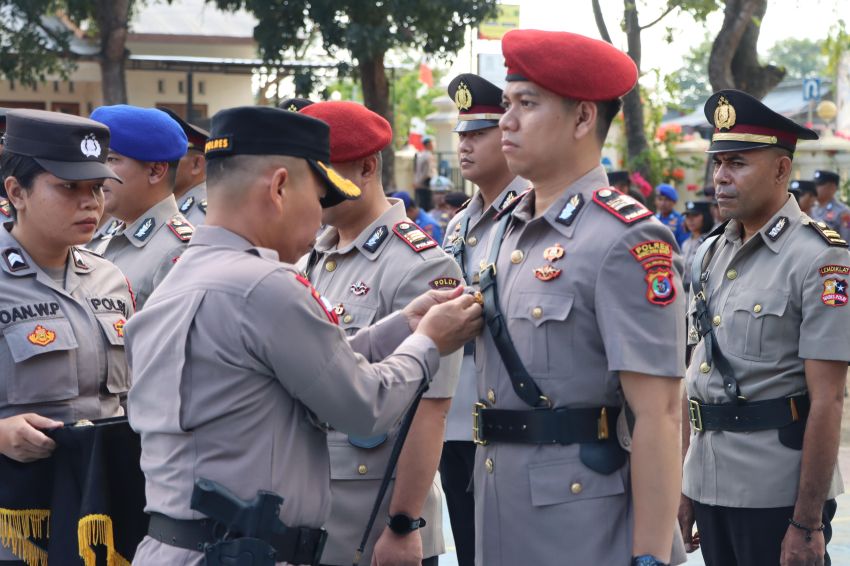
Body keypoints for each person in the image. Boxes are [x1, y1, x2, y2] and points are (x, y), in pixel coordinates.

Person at [126, 106, 483, 566]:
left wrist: (401, 327)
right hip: (240, 551)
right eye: (317, 195)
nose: (321, 213)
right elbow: (363, 406)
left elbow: (283, 378)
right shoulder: (266, 283)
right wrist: (428, 342)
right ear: (278, 188)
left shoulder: (182, 275)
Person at [474, 29, 685, 566]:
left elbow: (659, 412)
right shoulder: (505, 229)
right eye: (506, 103)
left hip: (580, 522)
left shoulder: (625, 238)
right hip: (500, 506)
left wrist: (650, 557)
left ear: (583, 118)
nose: (506, 120)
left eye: (527, 103)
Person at [679, 89, 850, 566]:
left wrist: (807, 521)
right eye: (718, 162)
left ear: (781, 169)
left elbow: (828, 399)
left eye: (737, 163)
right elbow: (697, 378)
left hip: (775, 496)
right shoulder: (709, 253)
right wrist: (686, 486)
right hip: (709, 483)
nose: (721, 177)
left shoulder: (820, 257)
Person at [296, 100, 464, 566]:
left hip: (375, 518)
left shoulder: (421, 264)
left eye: (322, 171)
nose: (310, 186)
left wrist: (404, 523)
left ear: (367, 167)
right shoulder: (310, 257)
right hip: (312, 510)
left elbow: (431, 409)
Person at [0, 108, 134, 563]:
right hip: (17, 517)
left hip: (104, 513)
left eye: (96, 188)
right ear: (16, 192)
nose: (90, 202)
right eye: (68, 187)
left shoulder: (109, 278)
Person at [441, 72, 528, 566]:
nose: (465, 146)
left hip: (508, 417)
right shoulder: (461, 221)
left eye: (479, 133)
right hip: (454, 416)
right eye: (462, 135)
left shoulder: (533, 211)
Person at [87, 105, 193, 309]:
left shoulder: (177, 250)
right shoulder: (107, 237)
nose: (98, 173)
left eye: (111, 159)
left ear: (155, 171)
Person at [161, 108, 209, 226]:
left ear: (197, 164)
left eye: (170, 157)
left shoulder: (204, 218)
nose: (157, 165)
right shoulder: (170, 206)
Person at [680, 200, 714, 293]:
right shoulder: (686, 243)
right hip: (685, 294)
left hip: (701, 294)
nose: (690, 220)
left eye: (695, 215)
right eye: (687, 216)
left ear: (705, 217)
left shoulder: (710, 241)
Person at [810, 170, 850, 241]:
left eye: (819, 184)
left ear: (832, 188)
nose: (814, 188)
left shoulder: (843, 212)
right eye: (814, 185)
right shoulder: (811, 209)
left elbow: (847, 242)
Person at [413, 136, 436, 210]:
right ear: (429, 144)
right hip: (425, 185)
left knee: (421, 206)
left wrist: (417, 182)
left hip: (420, 184)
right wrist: (419, 182)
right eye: (433, 143)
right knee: (427, 207)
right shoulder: (428, 156)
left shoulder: (421, 154)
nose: (434, 145)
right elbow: (427, 173)